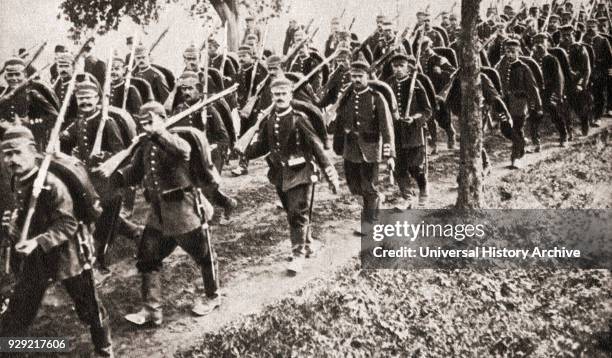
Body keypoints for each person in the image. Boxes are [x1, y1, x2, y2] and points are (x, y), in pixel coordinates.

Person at [0, 126, 114, 357]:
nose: (11, 159)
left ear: (33, 151)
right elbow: (25, 214)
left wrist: (37, 241)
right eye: (7, 154)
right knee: (20, 308)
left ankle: (104, 349)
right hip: (37, 254)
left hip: (68, 254)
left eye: (17, 152)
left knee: (88, 308)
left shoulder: (51, 183)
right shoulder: (17, 179)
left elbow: (68, 224)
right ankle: (13, 348)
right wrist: (13, 226)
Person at [112, 102, 221, 323]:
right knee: (147, 256)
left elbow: (184, 150)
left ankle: (213, 296)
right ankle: (152, 309)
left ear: (163, 119)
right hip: (158, 213)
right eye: (142, 122)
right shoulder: (145, 145)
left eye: (150, 120)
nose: (146, 126)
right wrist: (113, 177)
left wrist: (159, 131)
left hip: (183, 211)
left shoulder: (175, 139)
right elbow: (134, 173)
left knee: (204, 255)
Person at [244, 77, 339, 274]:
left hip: (301, 172)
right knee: (291, 212)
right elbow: (263, 146)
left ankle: (297, 255)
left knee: (297, 213)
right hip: (280, 173)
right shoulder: (270, 119)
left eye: (283, 94)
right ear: (272, 96)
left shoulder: (299, 119)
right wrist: (244, 151)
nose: (279, 98)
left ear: (290, 95)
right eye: (276, 94)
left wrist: (330, 174)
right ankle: (308, 242)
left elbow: (316, 147)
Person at [331, 59, 395, 231]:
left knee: (368, 186)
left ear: (367, 76)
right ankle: (375, 201)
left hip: (370, 148)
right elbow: (338, 122)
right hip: (350, 148)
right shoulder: (346, 97)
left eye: (360, 76)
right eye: (353, 76)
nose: (356, 80)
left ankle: (369, 222)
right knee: (353, 185)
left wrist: (389, 154)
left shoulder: (377, 97)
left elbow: (386, 127)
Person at [385, 51, 433, 206]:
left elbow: (427, 110)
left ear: (408, 68)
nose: (398, 69)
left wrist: (413, 118)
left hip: (413, 133)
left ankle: (423, 188)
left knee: (415, 167)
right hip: (395, 132)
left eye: (401, 66)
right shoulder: (388, 84)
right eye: (395, 66)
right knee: (398, 167)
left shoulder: (416, 84)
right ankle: (408, 196)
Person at [496, 39, 542, 168]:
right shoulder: (501, 67)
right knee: (505, 129)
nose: (509, 55)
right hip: (505, 104)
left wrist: (538, 106)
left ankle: (516, 157)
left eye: (512, 52)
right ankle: (521, 142)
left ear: (518, 52)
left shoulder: (524, 68)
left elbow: (533, 88)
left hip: (520, 104)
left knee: (517, 128)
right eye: (507, 52)